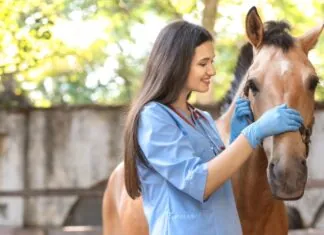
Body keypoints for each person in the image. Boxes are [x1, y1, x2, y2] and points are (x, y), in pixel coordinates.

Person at [123, 21, 303, 235]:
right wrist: (254, 132)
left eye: (212, 62)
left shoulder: (201, 118)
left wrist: (236, 136)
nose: (212, 71)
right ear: (177, 64)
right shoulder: (153, 118)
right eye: (203, 63)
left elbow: (220, 177)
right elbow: (200, 182)